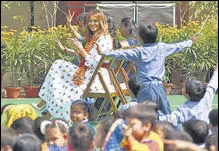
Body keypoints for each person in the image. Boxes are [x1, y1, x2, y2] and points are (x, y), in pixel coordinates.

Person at [98, 23, 199, 114]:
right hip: (159, 87)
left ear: (141, 38)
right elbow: (178, 46)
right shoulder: (162, 47)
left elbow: (121, 53)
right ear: (156, 35)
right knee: (167, 116)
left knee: (144, 116)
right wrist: (190, 41)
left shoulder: (139, 51)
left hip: (145, 89)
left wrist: (104, 53)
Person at [37, 9, 113, 123]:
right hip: (89, 71)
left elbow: (94, 63)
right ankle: (45, 101)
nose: (92, 24)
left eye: (95, 21)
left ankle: (45, 103)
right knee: (58, 65)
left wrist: (81, 49)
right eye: (90, 21)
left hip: (95, 76)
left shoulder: (102, 39)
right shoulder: (96, 36)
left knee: (59, 69)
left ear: (101, 22)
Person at [158, 63, 218, 128]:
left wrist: (154, 114)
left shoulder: (184, 110)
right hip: (207, 133)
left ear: (187, 95)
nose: (182, 87)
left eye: (184, 87)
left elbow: (168, 119)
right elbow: (215, 79)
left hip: (192, 136)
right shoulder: (207, 96)